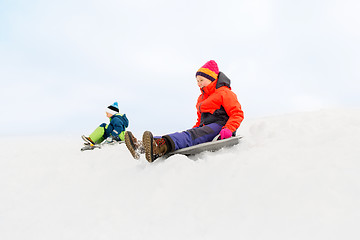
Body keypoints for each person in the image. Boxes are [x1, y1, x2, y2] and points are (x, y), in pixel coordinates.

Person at [125, 60, 244, 162]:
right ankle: (142, 147)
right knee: (187, 134)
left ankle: (159, 146)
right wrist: (194, 129)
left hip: (220, 127)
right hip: (206, 127)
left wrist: (229, 129)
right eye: (197, 81)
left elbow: (237, 113)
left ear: (212, 78)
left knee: (190, 135)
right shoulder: (202, 98)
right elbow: (200, 120)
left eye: (201, 80)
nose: (199, 84)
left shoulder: (225, 92)